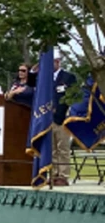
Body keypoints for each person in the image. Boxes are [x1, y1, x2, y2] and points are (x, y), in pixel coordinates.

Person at [30, 53, 78, 186]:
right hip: (47, 119)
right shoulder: (44, 78)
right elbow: (30, 82)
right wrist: (34, 70)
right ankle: (54, 174)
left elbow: (73, 95)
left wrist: (62, 109)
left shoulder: (68, 77)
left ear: (57, 62)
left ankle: (63, 175)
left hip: (62, 118)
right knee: (52, 149)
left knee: (62, 147)